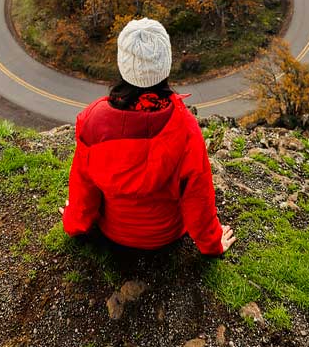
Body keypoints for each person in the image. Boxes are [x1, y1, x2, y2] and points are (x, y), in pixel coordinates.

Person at [59, 17, 235, 256]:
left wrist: (74, 222)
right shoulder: (185, 128)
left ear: (123, 64)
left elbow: (84, 185)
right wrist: (213, 244)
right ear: (166, 63)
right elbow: (198, 199)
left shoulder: (92, 121)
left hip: (114, 231)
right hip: (168, 233)